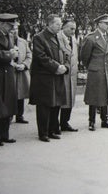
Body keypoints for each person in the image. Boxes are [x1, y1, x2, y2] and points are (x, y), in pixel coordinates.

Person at [29, 14, 68, 142]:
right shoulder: (39, 37)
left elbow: (65, 53)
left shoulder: (58, 37)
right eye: (57, 24)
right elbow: (41, 57)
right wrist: (57, 67)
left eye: (60, 24)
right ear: (50, 24)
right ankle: (43, 133)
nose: (60, 26)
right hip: (44, 77)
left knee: (55, 104)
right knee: (44, 106)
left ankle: (52, 130)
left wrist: (64, 67)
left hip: (56, 75)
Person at [80, 14, 108, 131]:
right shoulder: (90, 38)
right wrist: (92, 66)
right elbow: (85, 56)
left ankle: (104, 120)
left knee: (105, 95)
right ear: (99, 24)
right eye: (105, 23)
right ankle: (91, 121)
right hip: (96, 71)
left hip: (107, 71)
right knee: (94, 97)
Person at [0, 13, 19, 145]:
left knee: (8, 103)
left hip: (7, 72)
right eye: (10, 25)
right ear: (2, 24)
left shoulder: (7, 34)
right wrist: (9, 54)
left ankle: (4, 134)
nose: (12, 28)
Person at [57, 18, 78, 132]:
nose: (73, 31)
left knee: (69, 99)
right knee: (60, 99)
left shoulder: (73, 39)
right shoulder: (58, 38)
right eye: (71, 28)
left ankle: (65, 122)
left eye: (74, 28)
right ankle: (55, 124)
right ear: (63, 27)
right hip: (62, 73)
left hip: (72, 74)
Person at [11, 22, 32, 124]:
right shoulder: (5, 41)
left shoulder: (23, 42)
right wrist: (14, 65)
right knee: (10, 94)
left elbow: (29, 55)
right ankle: (9, 116)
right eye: (12, 28)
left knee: (20, 93)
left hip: (21, 72)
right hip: (10, 72)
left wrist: (24, 65)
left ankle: (20, 115)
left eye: (16, 29)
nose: (14, 31)